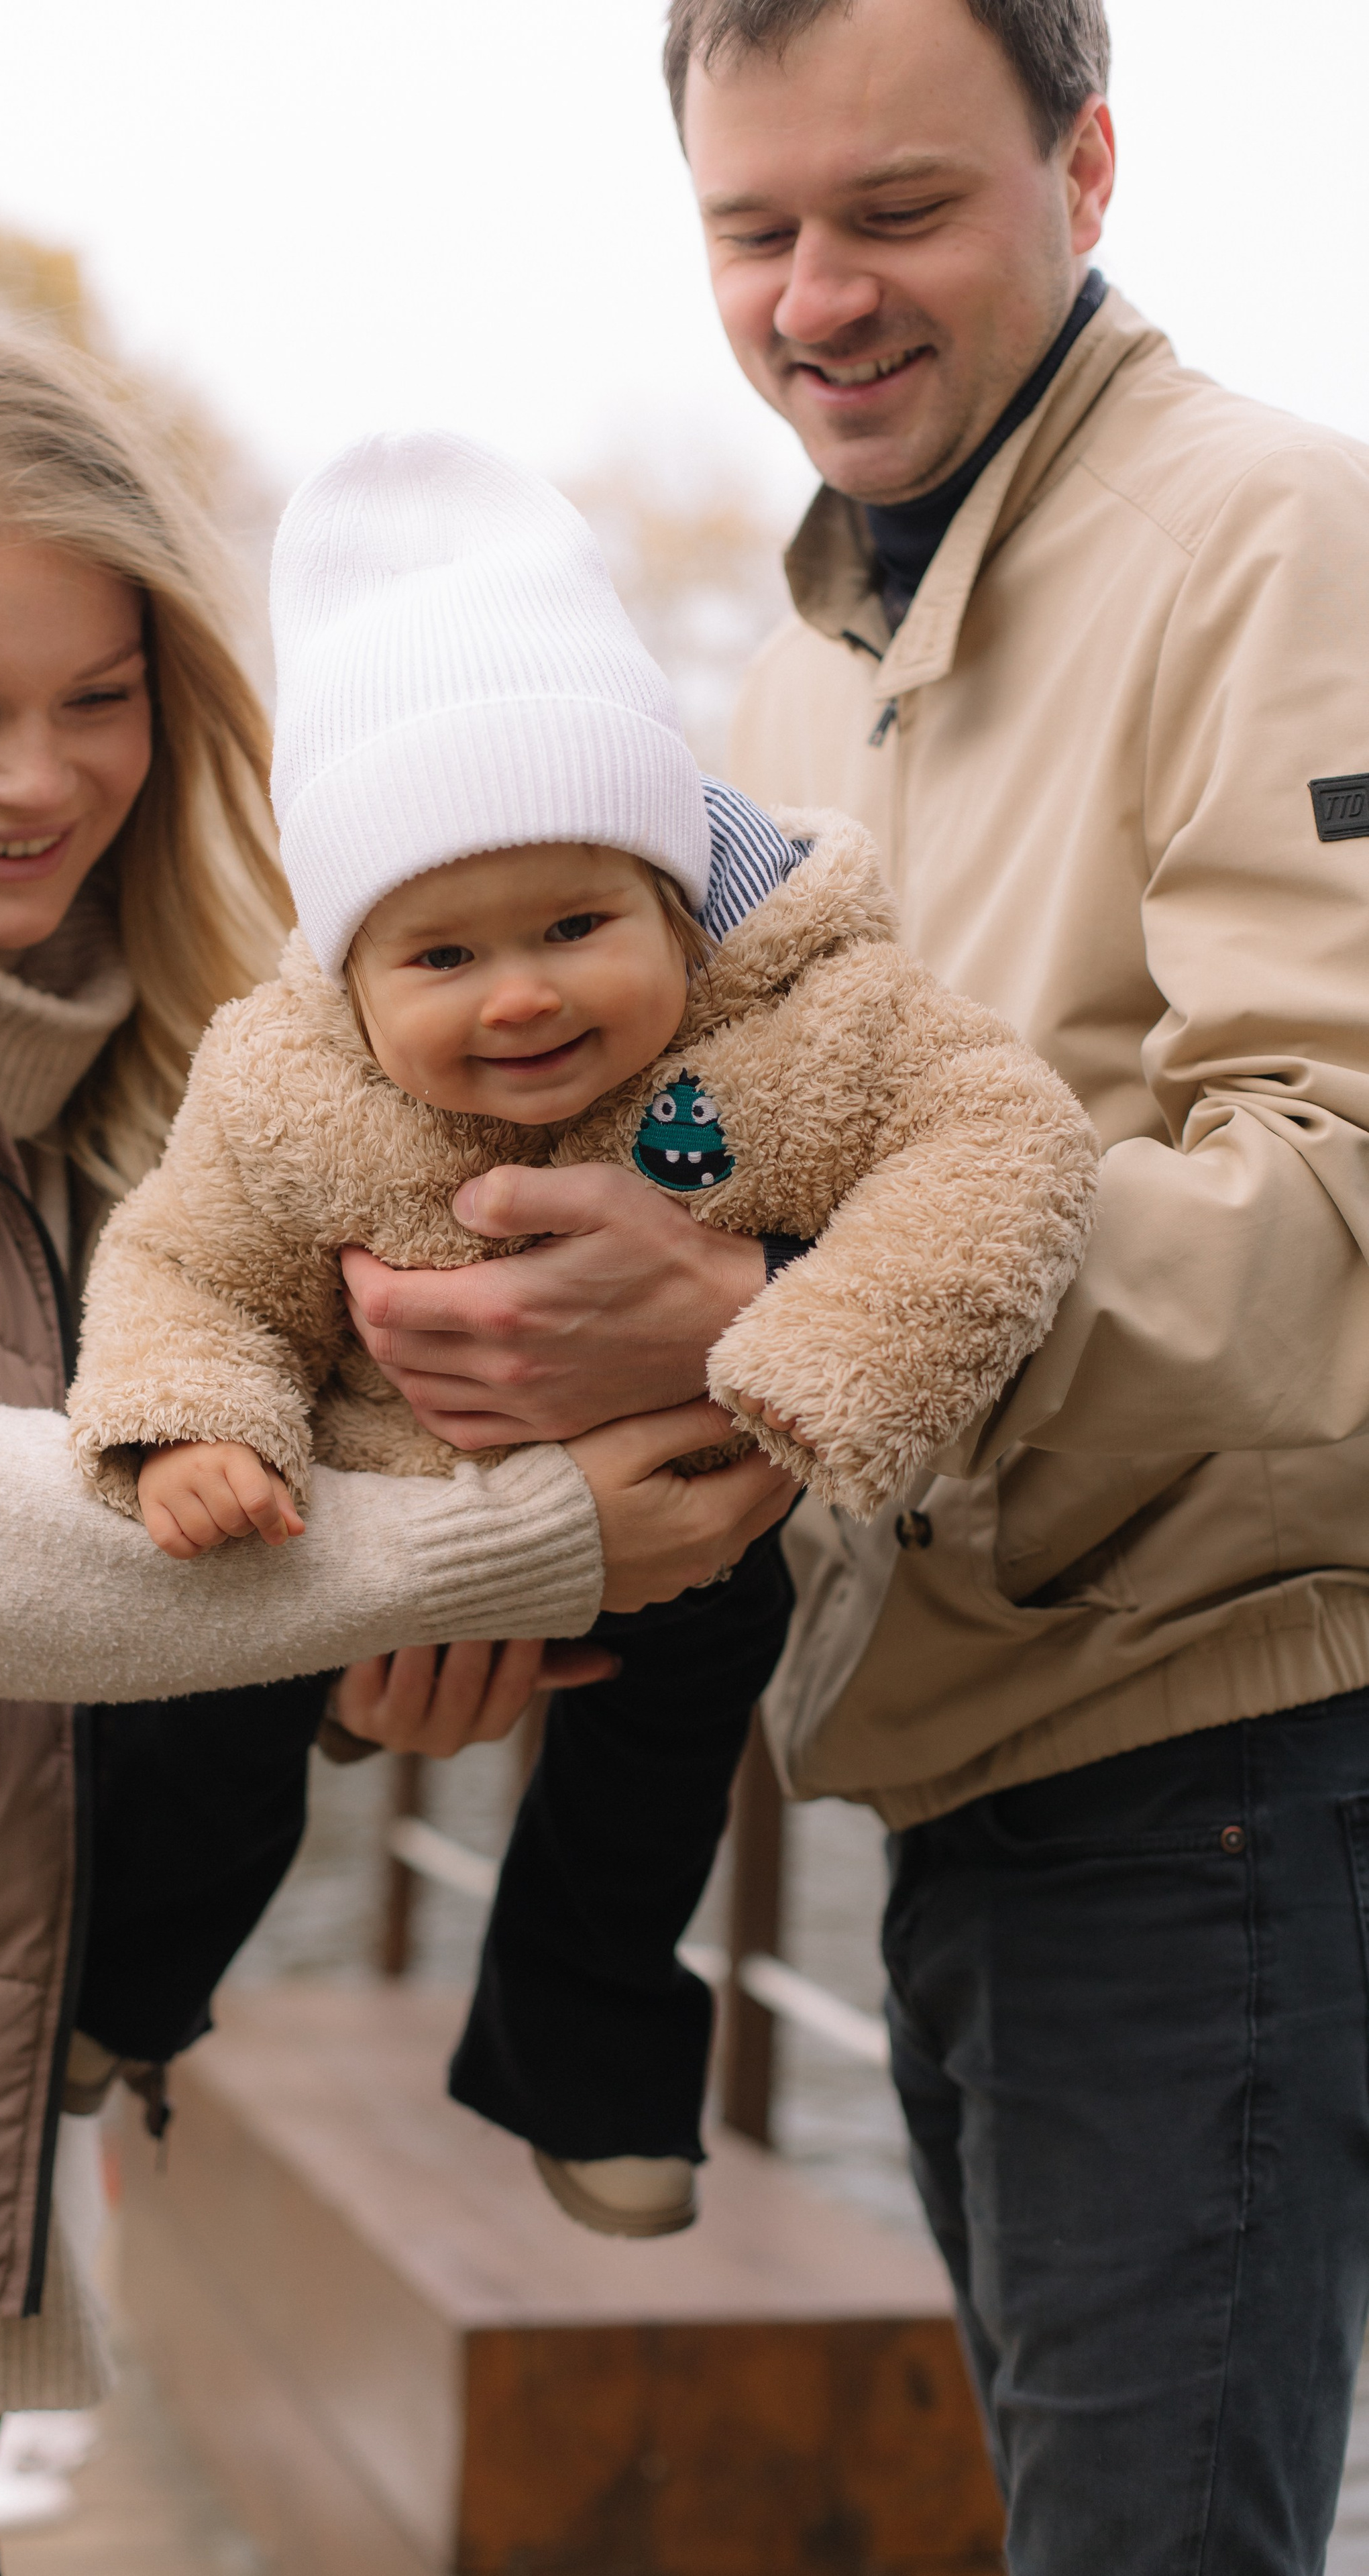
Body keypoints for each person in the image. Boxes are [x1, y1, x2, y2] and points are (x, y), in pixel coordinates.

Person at [345, 0, 1369, 2565]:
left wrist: (753, 1300)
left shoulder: (1285, 546)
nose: (817, 295)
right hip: (974, 1766)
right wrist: (501, 1488)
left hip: (1218, 1771)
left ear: (1093, 163)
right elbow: (723, 1170)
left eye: (897, 212)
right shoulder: (805, 667)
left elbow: (1349, 1219)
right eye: (753, 227)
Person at [0, 323, 792, 2576]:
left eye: (99, 697)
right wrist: (474, 1559)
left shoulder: (158, 1043)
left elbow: (231, 1509)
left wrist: (374, 1672)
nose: (37, 780)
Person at [65, 427, 1095, 2239]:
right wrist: (196, 1429)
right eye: (442, 960)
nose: (522, 992)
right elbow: (185, 1268)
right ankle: (117, 1994)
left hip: (682, 1515)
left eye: (575, 924)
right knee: (196, 1712)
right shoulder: (288, 1088)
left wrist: (812, 1349)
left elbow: (1005, 1148)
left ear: (676, 909)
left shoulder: (805, 1031)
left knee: (653, 1783)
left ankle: (595, 2077)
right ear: (353, 974)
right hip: (368, 1514)